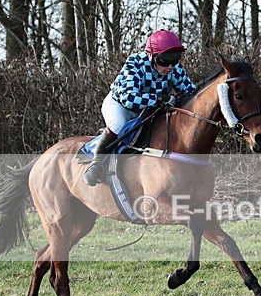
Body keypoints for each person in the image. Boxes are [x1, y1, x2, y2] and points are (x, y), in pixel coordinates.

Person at [84, 29, 197, 186]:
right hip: (121, 106)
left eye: (175, 60)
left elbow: (191, 93)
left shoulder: (175, 70)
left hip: (148, 110)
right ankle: (96, 164)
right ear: (151, 56)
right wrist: (159, 99)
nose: (170, 66)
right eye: (164, 61)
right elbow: (129, 99)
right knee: (118, 126)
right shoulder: (136, 63)